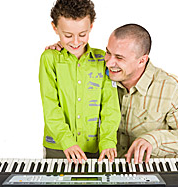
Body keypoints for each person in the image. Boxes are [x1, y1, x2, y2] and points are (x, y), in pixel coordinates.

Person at [47, 23, 178, 164]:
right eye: (108, 53)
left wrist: (153, 140)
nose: (108, 62)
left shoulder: (173, 89)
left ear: (142, 60)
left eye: (119, 58)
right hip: (108, 171)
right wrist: (65, 51)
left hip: (152, 172)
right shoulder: (99, 77)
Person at [39, 0, 121, 164]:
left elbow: (110, 106)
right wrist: (67, 141)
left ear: (90, 27)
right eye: (68, 35)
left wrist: (108, 141)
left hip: (96, 148)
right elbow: (50, 106)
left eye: (82, 34)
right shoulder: (49, 58)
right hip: (58, 147)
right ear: (55, 28)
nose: (76, 42)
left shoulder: (102, 60)